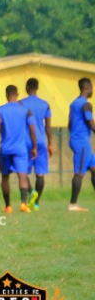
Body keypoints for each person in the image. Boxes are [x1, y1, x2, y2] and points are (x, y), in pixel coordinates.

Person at [0, 85, 37, 214]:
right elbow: (32, 130)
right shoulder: (26, 110)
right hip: (20, 149)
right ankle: (23, 203)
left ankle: (8, 206)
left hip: (5, 149)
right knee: (22, 177)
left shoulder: (0, 111)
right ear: (17, 95)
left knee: (5, 178)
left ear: (7, 95)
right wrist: (34, 147)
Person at [20, 78, 54, 209]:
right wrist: (50, 143)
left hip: (26, 142)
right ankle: (36, 202)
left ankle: (31, 192)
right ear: (37, 88)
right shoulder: (45, 104)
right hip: (40, 141)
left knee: (23, 171)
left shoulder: (21, 103)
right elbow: (48, 126)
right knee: (40, 173)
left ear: (27, 87)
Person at [67, 77, 95, 211]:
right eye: (92, 88)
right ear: (86, 88)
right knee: (79, 173)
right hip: (82, 143)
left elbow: (69, 125)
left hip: (78, 140)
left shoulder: (74, 104)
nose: (92, 91)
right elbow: (92, 124)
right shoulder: (86, 105)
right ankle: (73, 204)